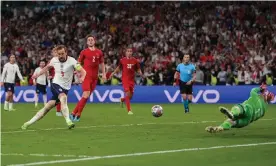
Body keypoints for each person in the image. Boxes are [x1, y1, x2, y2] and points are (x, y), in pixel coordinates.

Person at [21, 45, 86, 130]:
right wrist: (37, 75)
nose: (60, 56)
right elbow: (46, 68)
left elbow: (83, 71)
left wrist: (82, 78)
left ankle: (28, 123)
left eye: (62, 53)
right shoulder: (54, 60)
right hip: (55, 84)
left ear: (66, 53)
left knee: (47, 108)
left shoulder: (72, 61)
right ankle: (68, 121)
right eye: (59, 54)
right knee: (63, 97)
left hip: (65, 88)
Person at [206, 84, 275, 133]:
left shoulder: (255, 96)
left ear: (264, 95)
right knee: (232, 122)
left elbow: (253, 90)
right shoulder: (264, 110)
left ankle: (232, 113)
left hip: (248, 110)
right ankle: (220, 127)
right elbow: (256, 118)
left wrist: (260, 88)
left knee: (240, 107)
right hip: (247, 121)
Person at [70, 35, 106, 122]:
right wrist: (78, 72)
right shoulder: (84, 52)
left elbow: (102, 63)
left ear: (94, 41)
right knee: (86, 94)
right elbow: (78, 63)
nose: (90, 41)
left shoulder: (99, 52)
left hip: (95, 78)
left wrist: (104, 74)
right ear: (87, 42)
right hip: (86, 76)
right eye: (88, 40)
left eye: (92, 40)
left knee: (85, 97)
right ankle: (78, 114)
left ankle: (73, 112)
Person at [109, 47, 144, 114]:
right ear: (126, 53)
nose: (129, 52)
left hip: (132, 80)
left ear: (132, 53)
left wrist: (140, 73)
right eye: (128, 51)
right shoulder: (122, 60)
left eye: (130, 51)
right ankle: (129, 110)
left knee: (130, 97)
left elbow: (138, 69)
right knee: (127, 93)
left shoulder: (135, 61)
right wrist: (112, 73)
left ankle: (122, 100)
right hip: (125, 79)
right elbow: (119, 68)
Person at [49, 47, 62, 116]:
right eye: (55, 52)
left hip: (61, 81)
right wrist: (49, 76)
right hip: (55, 81)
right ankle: (58, 111)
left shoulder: (61, 60)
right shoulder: (52, 61)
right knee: (60, 96)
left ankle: (58, 110)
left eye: (57, 52)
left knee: (59, 96)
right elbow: (47, 69)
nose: (56, 53)